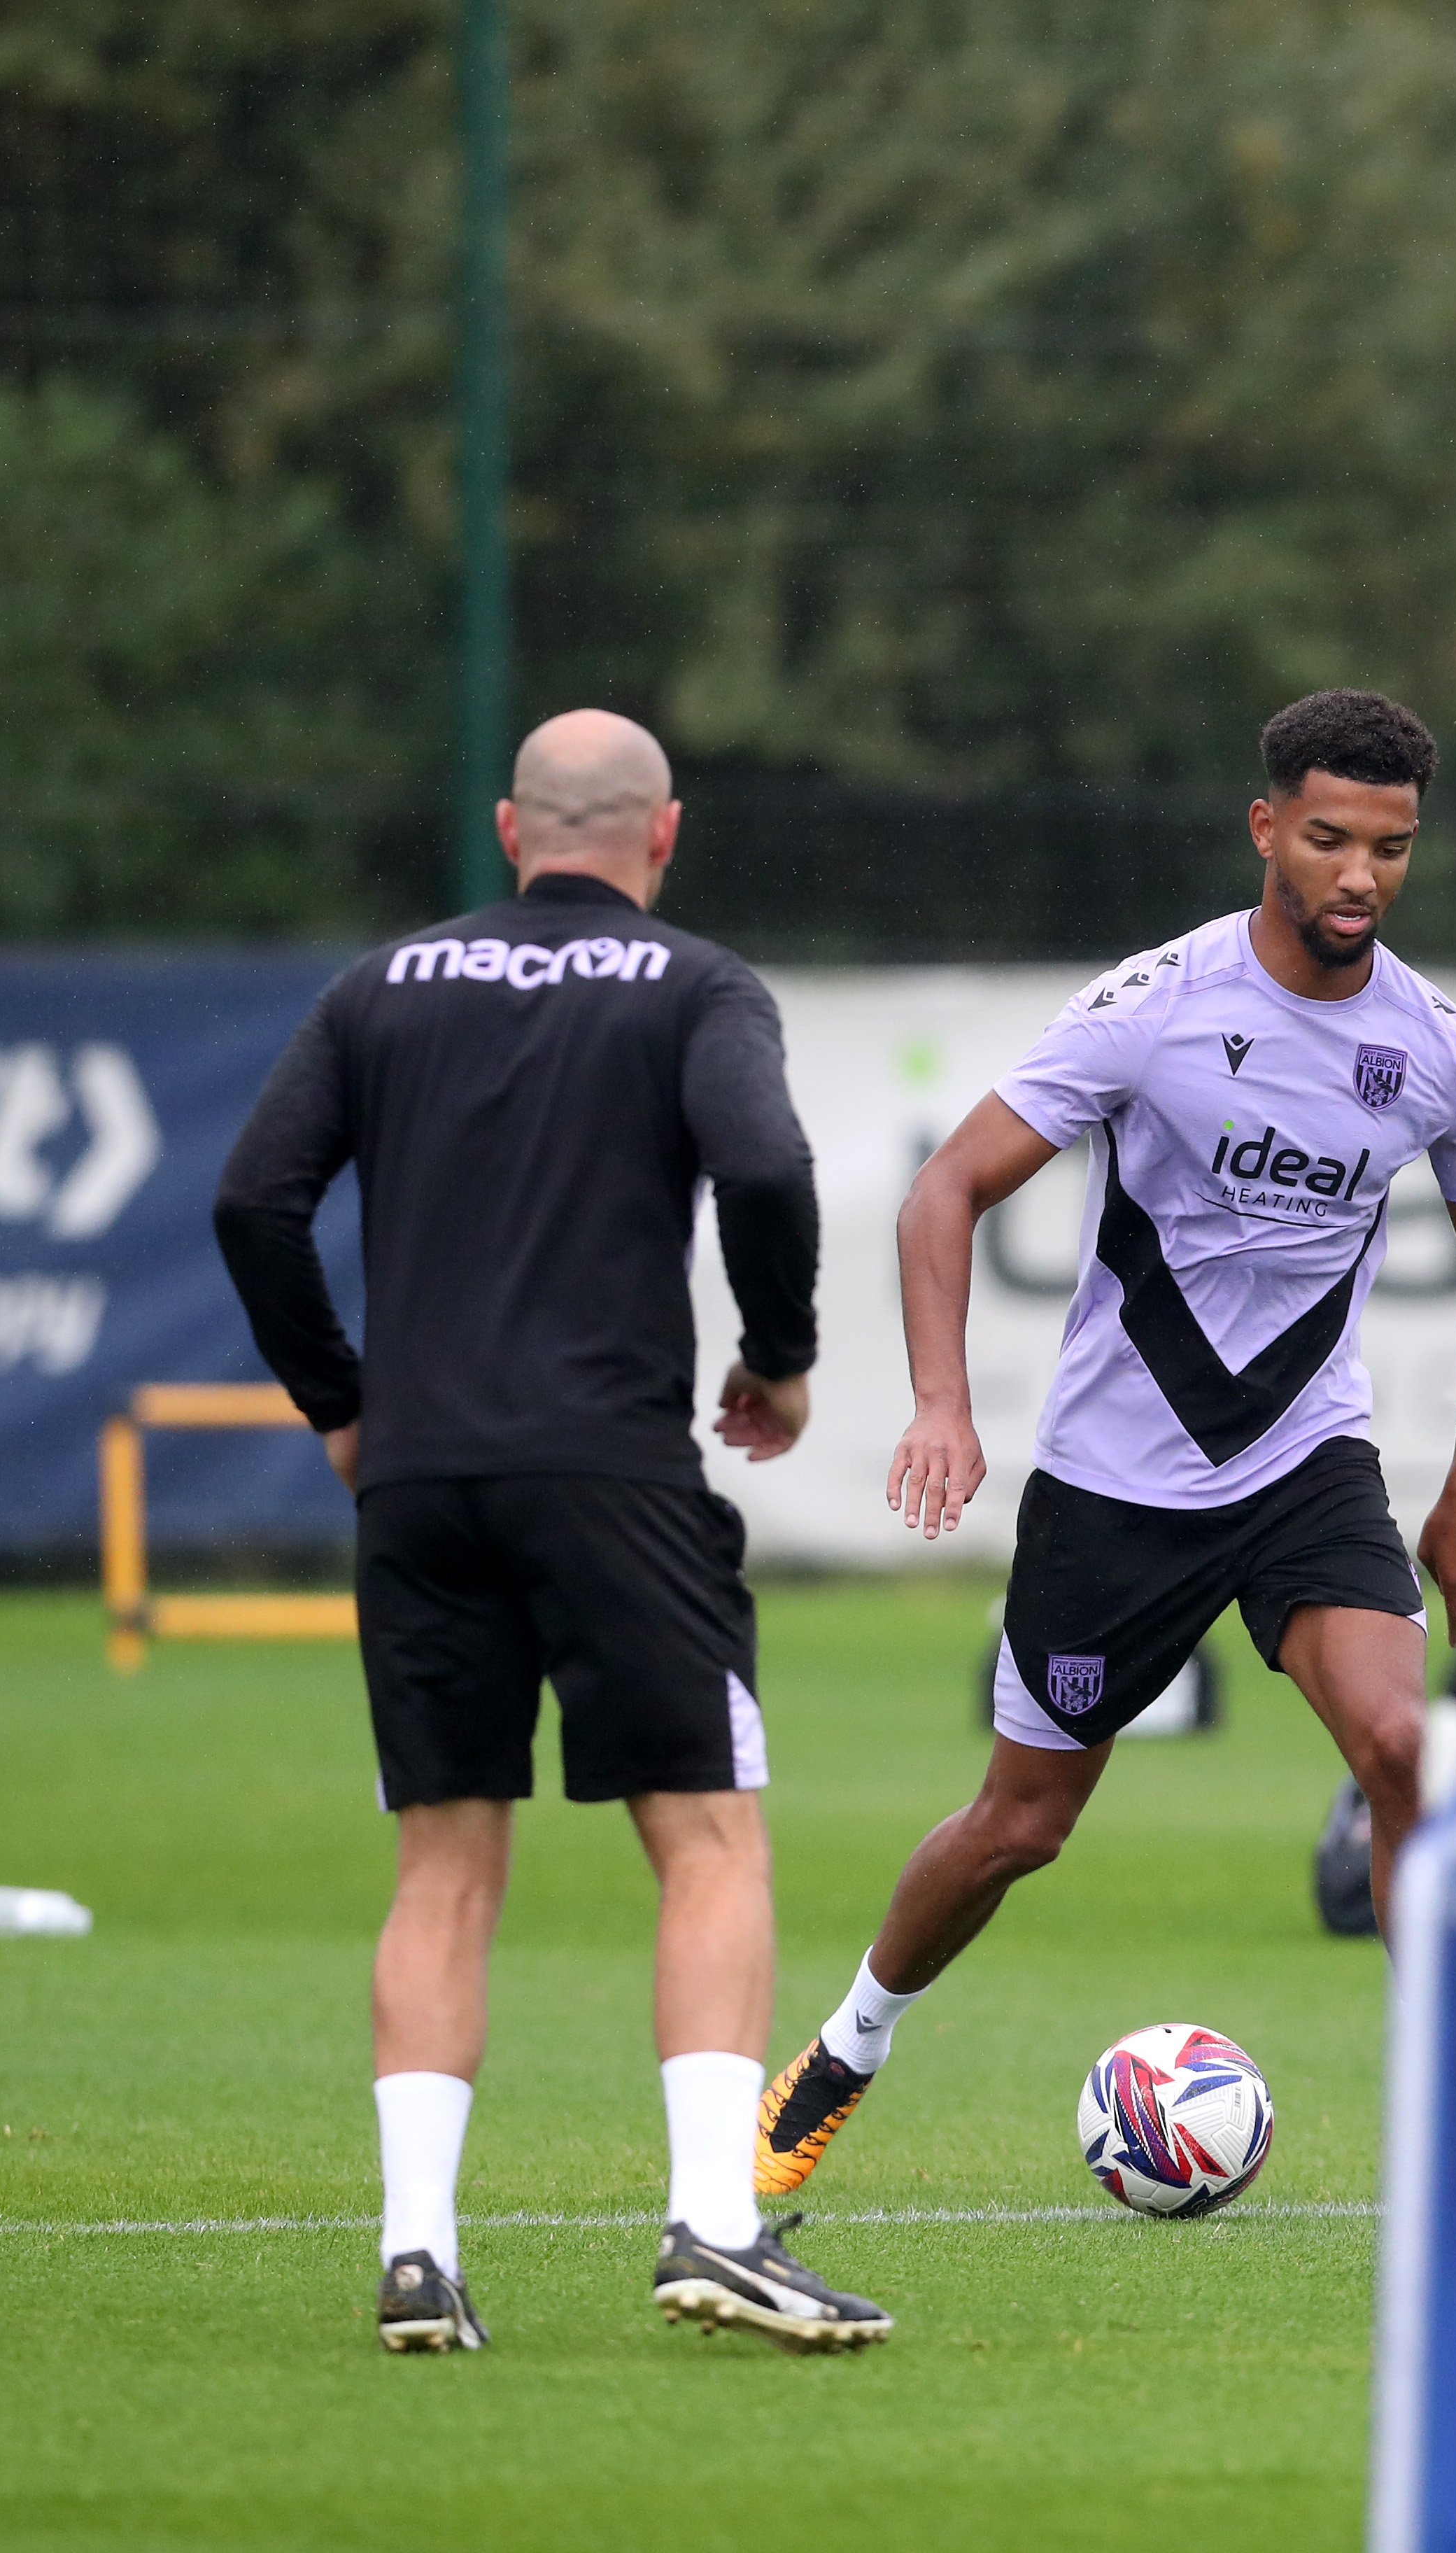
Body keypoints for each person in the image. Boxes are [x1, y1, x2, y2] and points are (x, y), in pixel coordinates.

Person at [751, 688, 1456, 2210]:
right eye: (1328, 838)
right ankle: (846, 2048)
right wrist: (943, 1400)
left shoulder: (1441, 1053)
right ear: (1267, 826)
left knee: (1403, 1751)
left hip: (1306, 1463)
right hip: (1116, 1487)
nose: (1358, 877)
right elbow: (946, 1194)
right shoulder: (1154, 1005)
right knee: (1021, 1826)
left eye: (1390, 849)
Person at [213, 709, 893, 2356]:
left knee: (444, 1863)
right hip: (610, 1471)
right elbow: (770, 1165)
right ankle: (719, 2227)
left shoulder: (380, 988)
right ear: (663, 841)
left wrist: (341, 1403)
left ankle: (417, 2253)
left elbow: (253, 1200)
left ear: (512, 830)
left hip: (424, 1481)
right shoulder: (696, 986)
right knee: (709, 1841)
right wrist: (782, 1360)